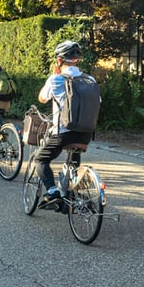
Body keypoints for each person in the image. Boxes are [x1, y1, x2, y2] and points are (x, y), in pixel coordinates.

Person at [35, 40, 98, 209]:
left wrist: (54, 76)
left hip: (62, 133)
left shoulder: (56, 79)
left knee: (40, 159)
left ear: (59, 60)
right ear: (77, 60)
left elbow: (42, 98)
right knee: (73, 159)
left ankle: (53, 191)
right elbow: (97, 101)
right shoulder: (90, 80)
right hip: (86, 134)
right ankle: (71, 192)